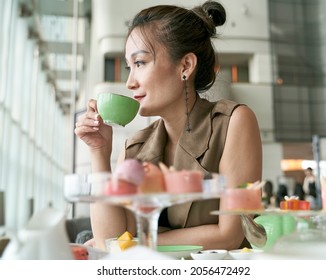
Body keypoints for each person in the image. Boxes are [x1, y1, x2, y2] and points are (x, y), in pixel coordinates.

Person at [75, 1, 262, 251]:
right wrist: (99, 152)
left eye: (140, 63)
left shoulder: (233, 122)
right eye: (129, 67)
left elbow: (229, 235)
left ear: (185, 66)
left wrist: (136, 241)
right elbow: (110, 238)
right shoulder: (134, 148)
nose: (130, 82)